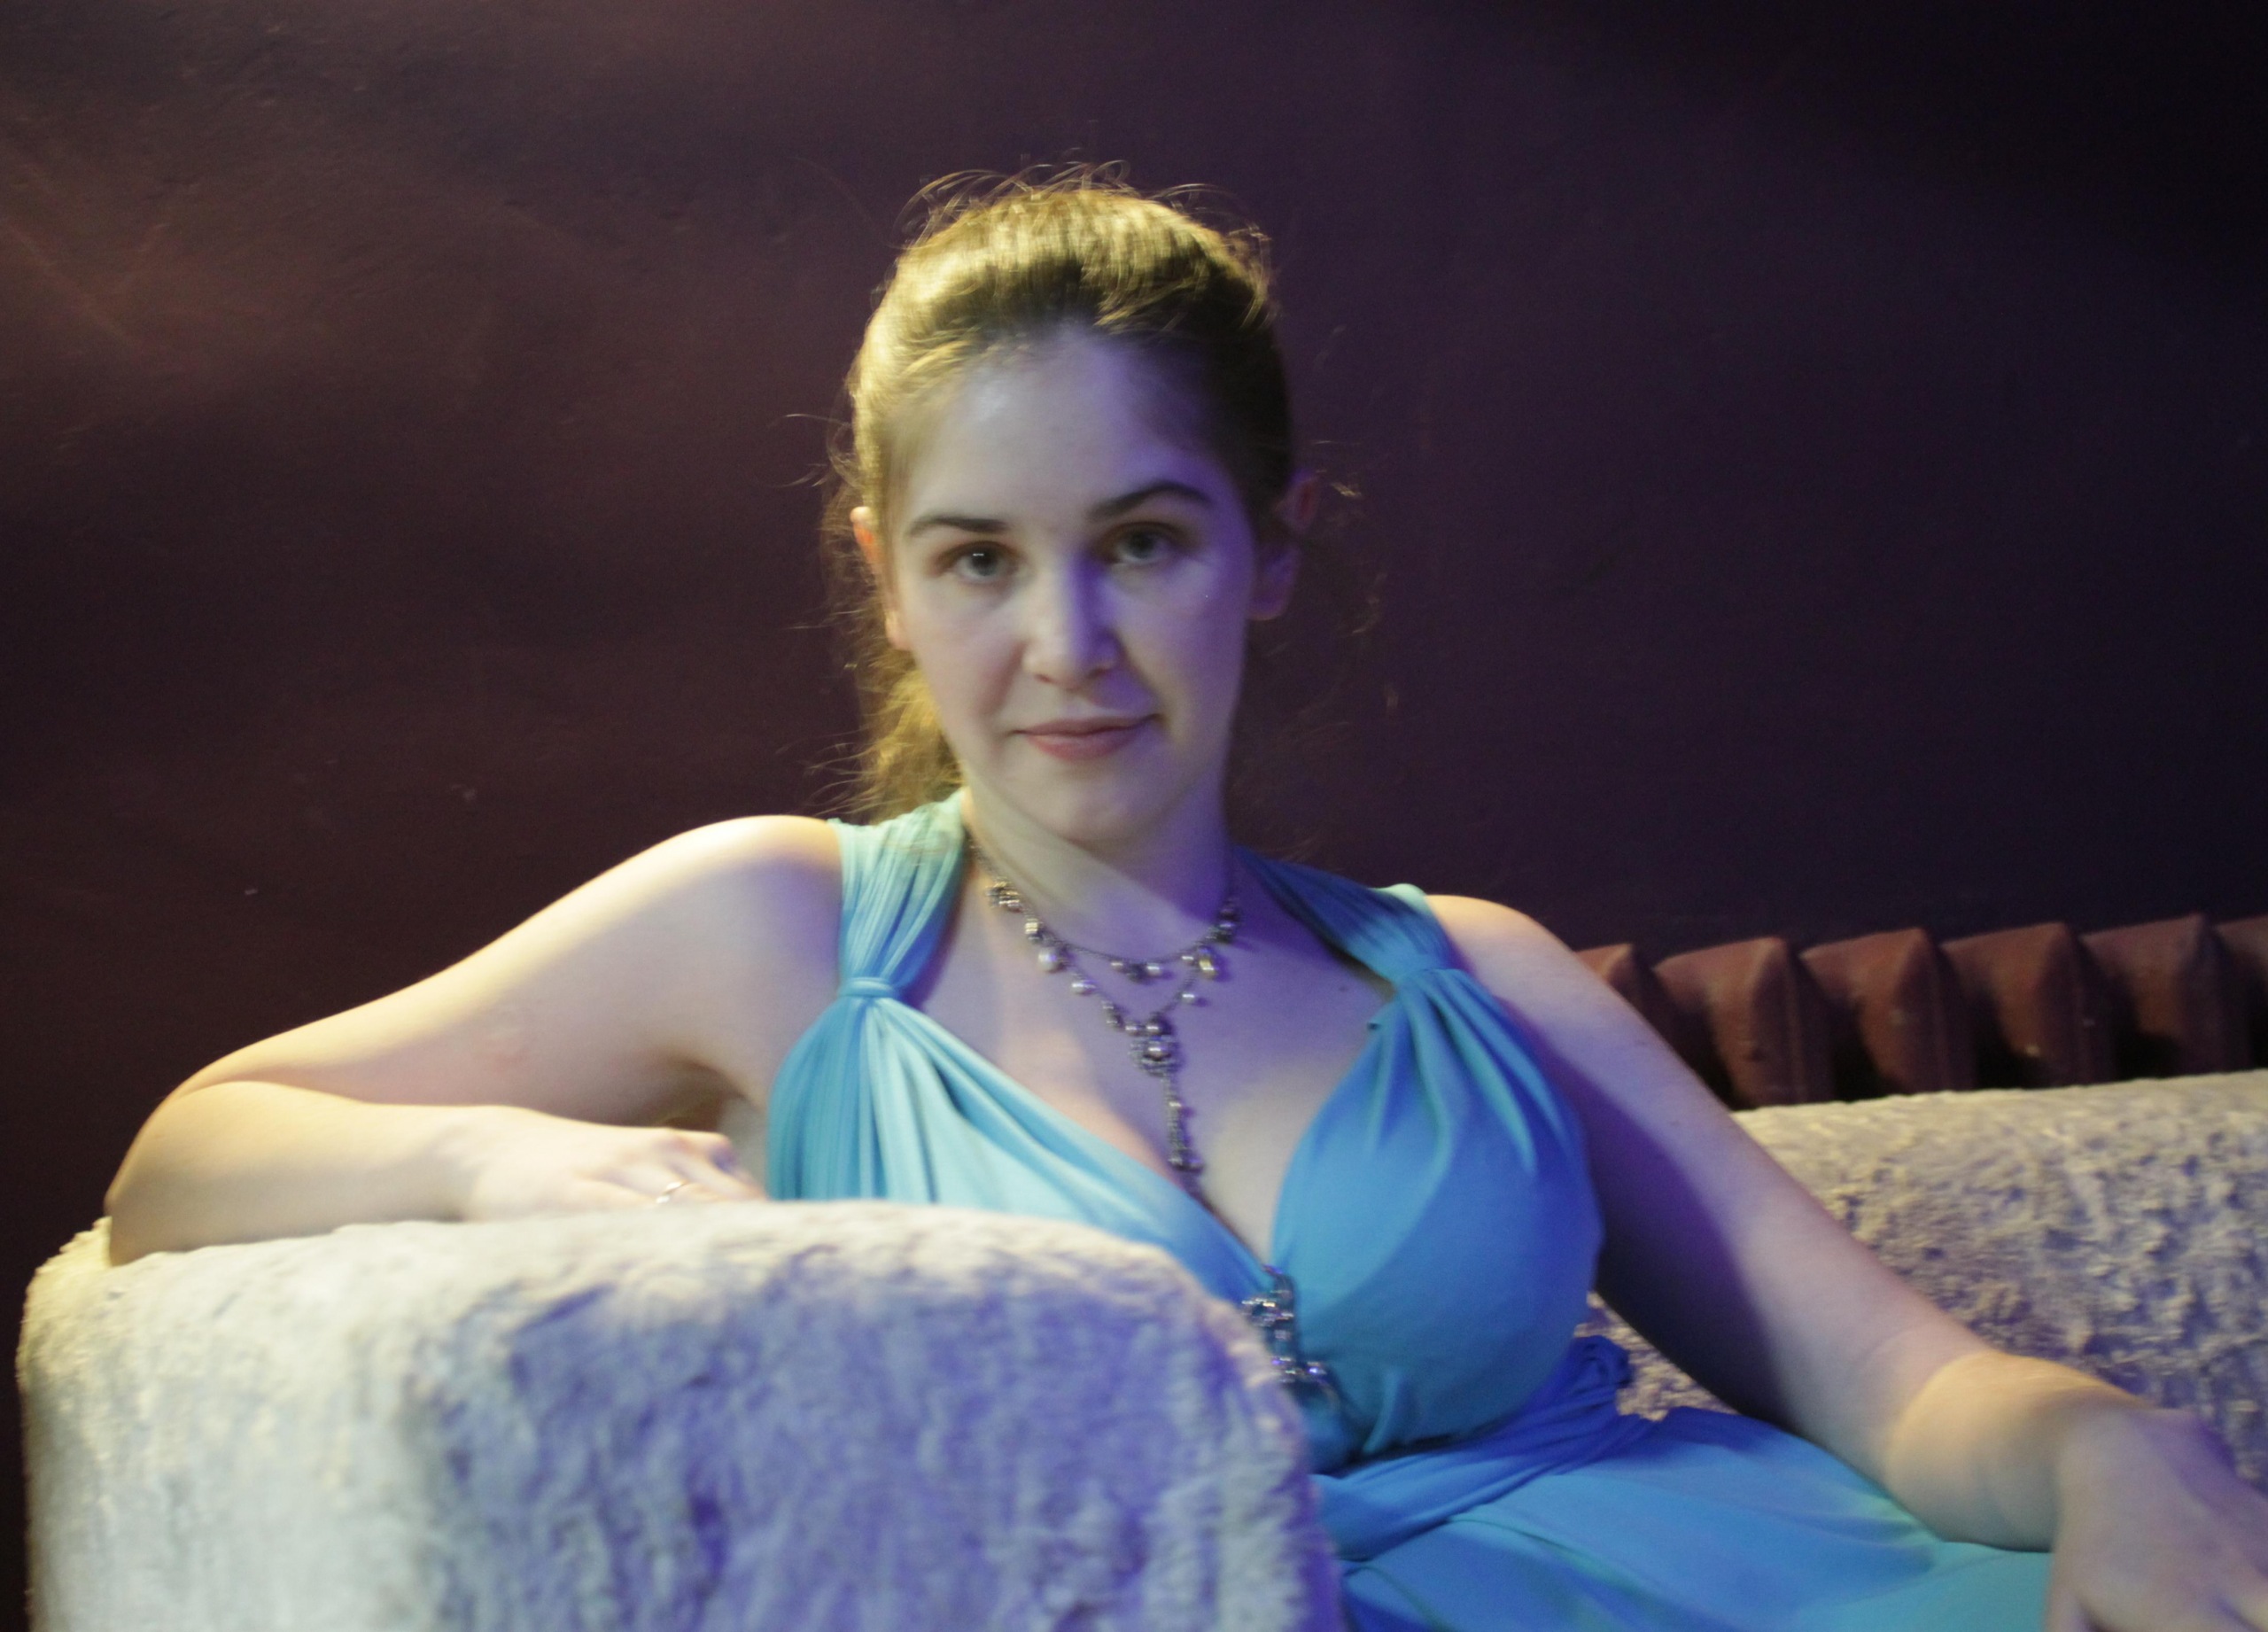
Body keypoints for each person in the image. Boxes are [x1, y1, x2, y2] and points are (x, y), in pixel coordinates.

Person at [107, 172, 2268, 1630]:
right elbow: (184, 1159)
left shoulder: (1470, 974)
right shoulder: (771, 931)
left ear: (1274, 546)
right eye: (979, 558)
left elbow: (1895, 1392)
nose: (1065, 646)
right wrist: (498, 1170)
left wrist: (2105, 1451)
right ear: (884, 579)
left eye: (1141, 541)